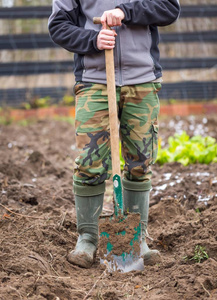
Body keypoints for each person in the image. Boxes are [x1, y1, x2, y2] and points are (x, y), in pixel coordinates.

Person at [48, 0, 180, 269]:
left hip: (142, 78)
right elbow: (58, 26)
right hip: (93, 81)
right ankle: (87, 238)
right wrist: (93, 39)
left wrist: (125, 12)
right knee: (89, 163)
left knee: (140, 162)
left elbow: (169, 7)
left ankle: (137, 238)